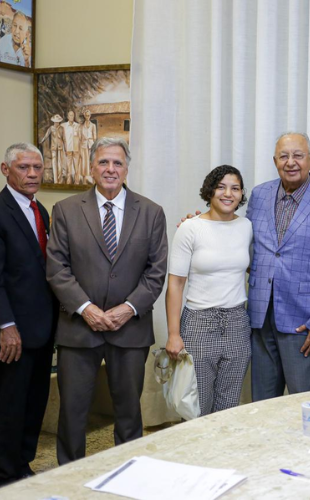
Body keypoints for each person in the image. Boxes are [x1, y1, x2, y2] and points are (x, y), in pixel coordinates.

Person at [47, 137, 168, 464]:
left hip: (130, 331)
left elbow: (156, 272)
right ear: (91, 168)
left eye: (117, 163)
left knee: (129, 412)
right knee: (72, 413)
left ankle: (128, 474)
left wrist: (127, 309)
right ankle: (68, 478)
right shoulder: (66, 211)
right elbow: (57, 268)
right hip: (78, 329)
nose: (110, 169)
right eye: (103, 162)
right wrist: (87, 309)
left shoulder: (152, 212)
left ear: (127, 169)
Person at [247, 132, 310, 401]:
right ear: (275, 161)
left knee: (300, 403)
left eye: (298, 155)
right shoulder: (259, 195)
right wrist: (204, 225)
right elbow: (243, 245)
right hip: (260, 318)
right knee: (263, 403)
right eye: (284, 156)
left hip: (304, 323)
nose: (291, 162)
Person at [166, 165, 253, 415]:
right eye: (221, 187)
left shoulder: (246, 227)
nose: (228, 193)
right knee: (197, 406)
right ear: (210, 191)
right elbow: (175, 284)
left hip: (237, 322)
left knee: (228, 406)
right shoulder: (190, 228)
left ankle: (223, 454)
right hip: (199, 324)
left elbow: (245, 267)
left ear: (241, 194)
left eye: (235, 188)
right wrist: (174, 333)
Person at [0, 143, 57, 487]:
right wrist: (5, 325)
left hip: (42, 327)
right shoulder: (1, 210)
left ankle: (23, 463)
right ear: (6, 170)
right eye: (24, 167)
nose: (33, 174)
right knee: (10, 404)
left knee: (35, 401)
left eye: (37, 167)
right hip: (14, 331)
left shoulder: (41, 210)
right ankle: (6, 472)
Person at [39, 114, 66, 184]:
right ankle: (55, 180)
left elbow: (64, 139)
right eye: (55, 121)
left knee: (60, 164)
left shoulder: (62, 128)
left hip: (60, 147)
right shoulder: (51, 128)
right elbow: (46, 135)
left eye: (58, 121)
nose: (56, 123)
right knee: (54, 164)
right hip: (53, 147)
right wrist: (41, 141)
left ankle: (59, 180)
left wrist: (65, 148)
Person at [62, 110, 81, 184]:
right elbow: (62, 138)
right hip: (68, 149)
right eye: (70, 115)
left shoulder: (77, 126)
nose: (71, 117)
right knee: (68, 166)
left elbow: (80, 138)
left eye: (72, 115)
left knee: (76, 166)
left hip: (76, 149)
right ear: (67, 116)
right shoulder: (63, 126)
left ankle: (77, 181)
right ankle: (68, 180)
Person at [79, 108, 97, 184]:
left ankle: (92, 176)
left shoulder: (93, 126)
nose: (87, 117)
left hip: (91, 144)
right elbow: (79, 138)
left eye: (88, 115)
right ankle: (85, 177)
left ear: (90, 116)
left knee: (91, 160)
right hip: (83, 145)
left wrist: (95, 146)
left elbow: (95, 136)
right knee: (84, 161)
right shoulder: (81, 126)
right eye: (86, 115)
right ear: (84, 116)